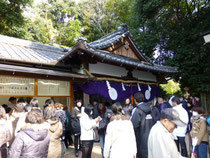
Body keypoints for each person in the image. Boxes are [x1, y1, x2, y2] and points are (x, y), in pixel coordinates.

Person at [131, 92, 155, 158]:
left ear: (135, 100)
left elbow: (133, 125)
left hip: (140, 136)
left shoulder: (137, 110)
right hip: (151, 134)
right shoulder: (150, 109)